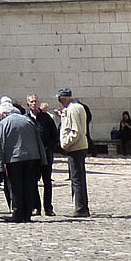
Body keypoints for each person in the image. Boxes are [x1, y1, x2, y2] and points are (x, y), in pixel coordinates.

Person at [0, 97, 46, 222]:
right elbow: (38, 141)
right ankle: (27, 214)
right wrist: (42, 159)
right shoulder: (28, 121)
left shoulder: (3, 123)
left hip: (14, 159)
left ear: (5, 114)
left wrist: (0, 165)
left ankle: (17, 214)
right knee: (29, 185)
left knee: (16, 187)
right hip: (32, 158)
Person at [56, 87, 91, 217]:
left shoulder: (73, 109)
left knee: (77, 179)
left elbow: (75, 131)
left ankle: (81, 208)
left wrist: (65, 143)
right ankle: (82, 206)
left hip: (75, 147)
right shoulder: (76, 108)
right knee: (79, 178)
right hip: (79, 146)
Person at [26, 95, 60, 215]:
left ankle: (48, 207)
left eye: (35, 101)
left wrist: (48, 149)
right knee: (33, 181)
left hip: (46, 154)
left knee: (47, 181)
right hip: (33, 156)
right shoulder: (26, 118)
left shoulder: (46, 118)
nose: (34, 104)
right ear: (28, 104)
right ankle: (36, 206)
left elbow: (54, 135)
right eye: (31, 102)